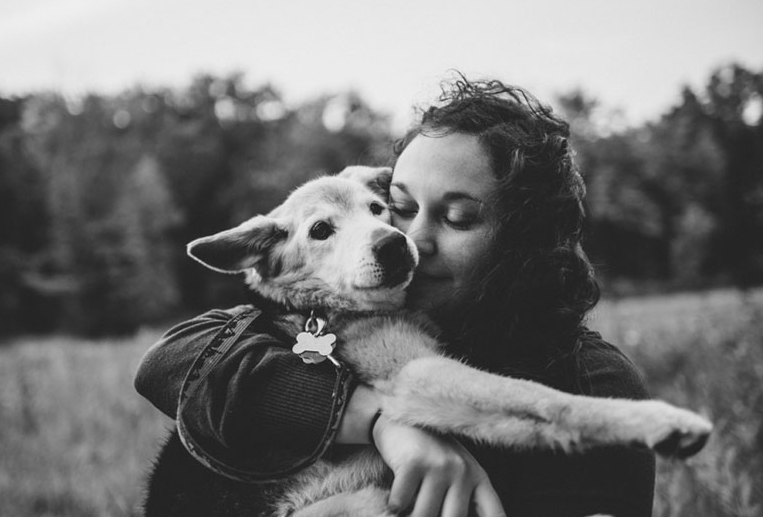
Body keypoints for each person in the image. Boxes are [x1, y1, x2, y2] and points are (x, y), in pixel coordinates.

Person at [135, 77, 655, 517]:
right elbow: (168, 362)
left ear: (529, 239)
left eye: (458, 217)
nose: (409, 240)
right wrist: (381, 421)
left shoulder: (594, 383)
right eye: (401, 206)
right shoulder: (329, 327)